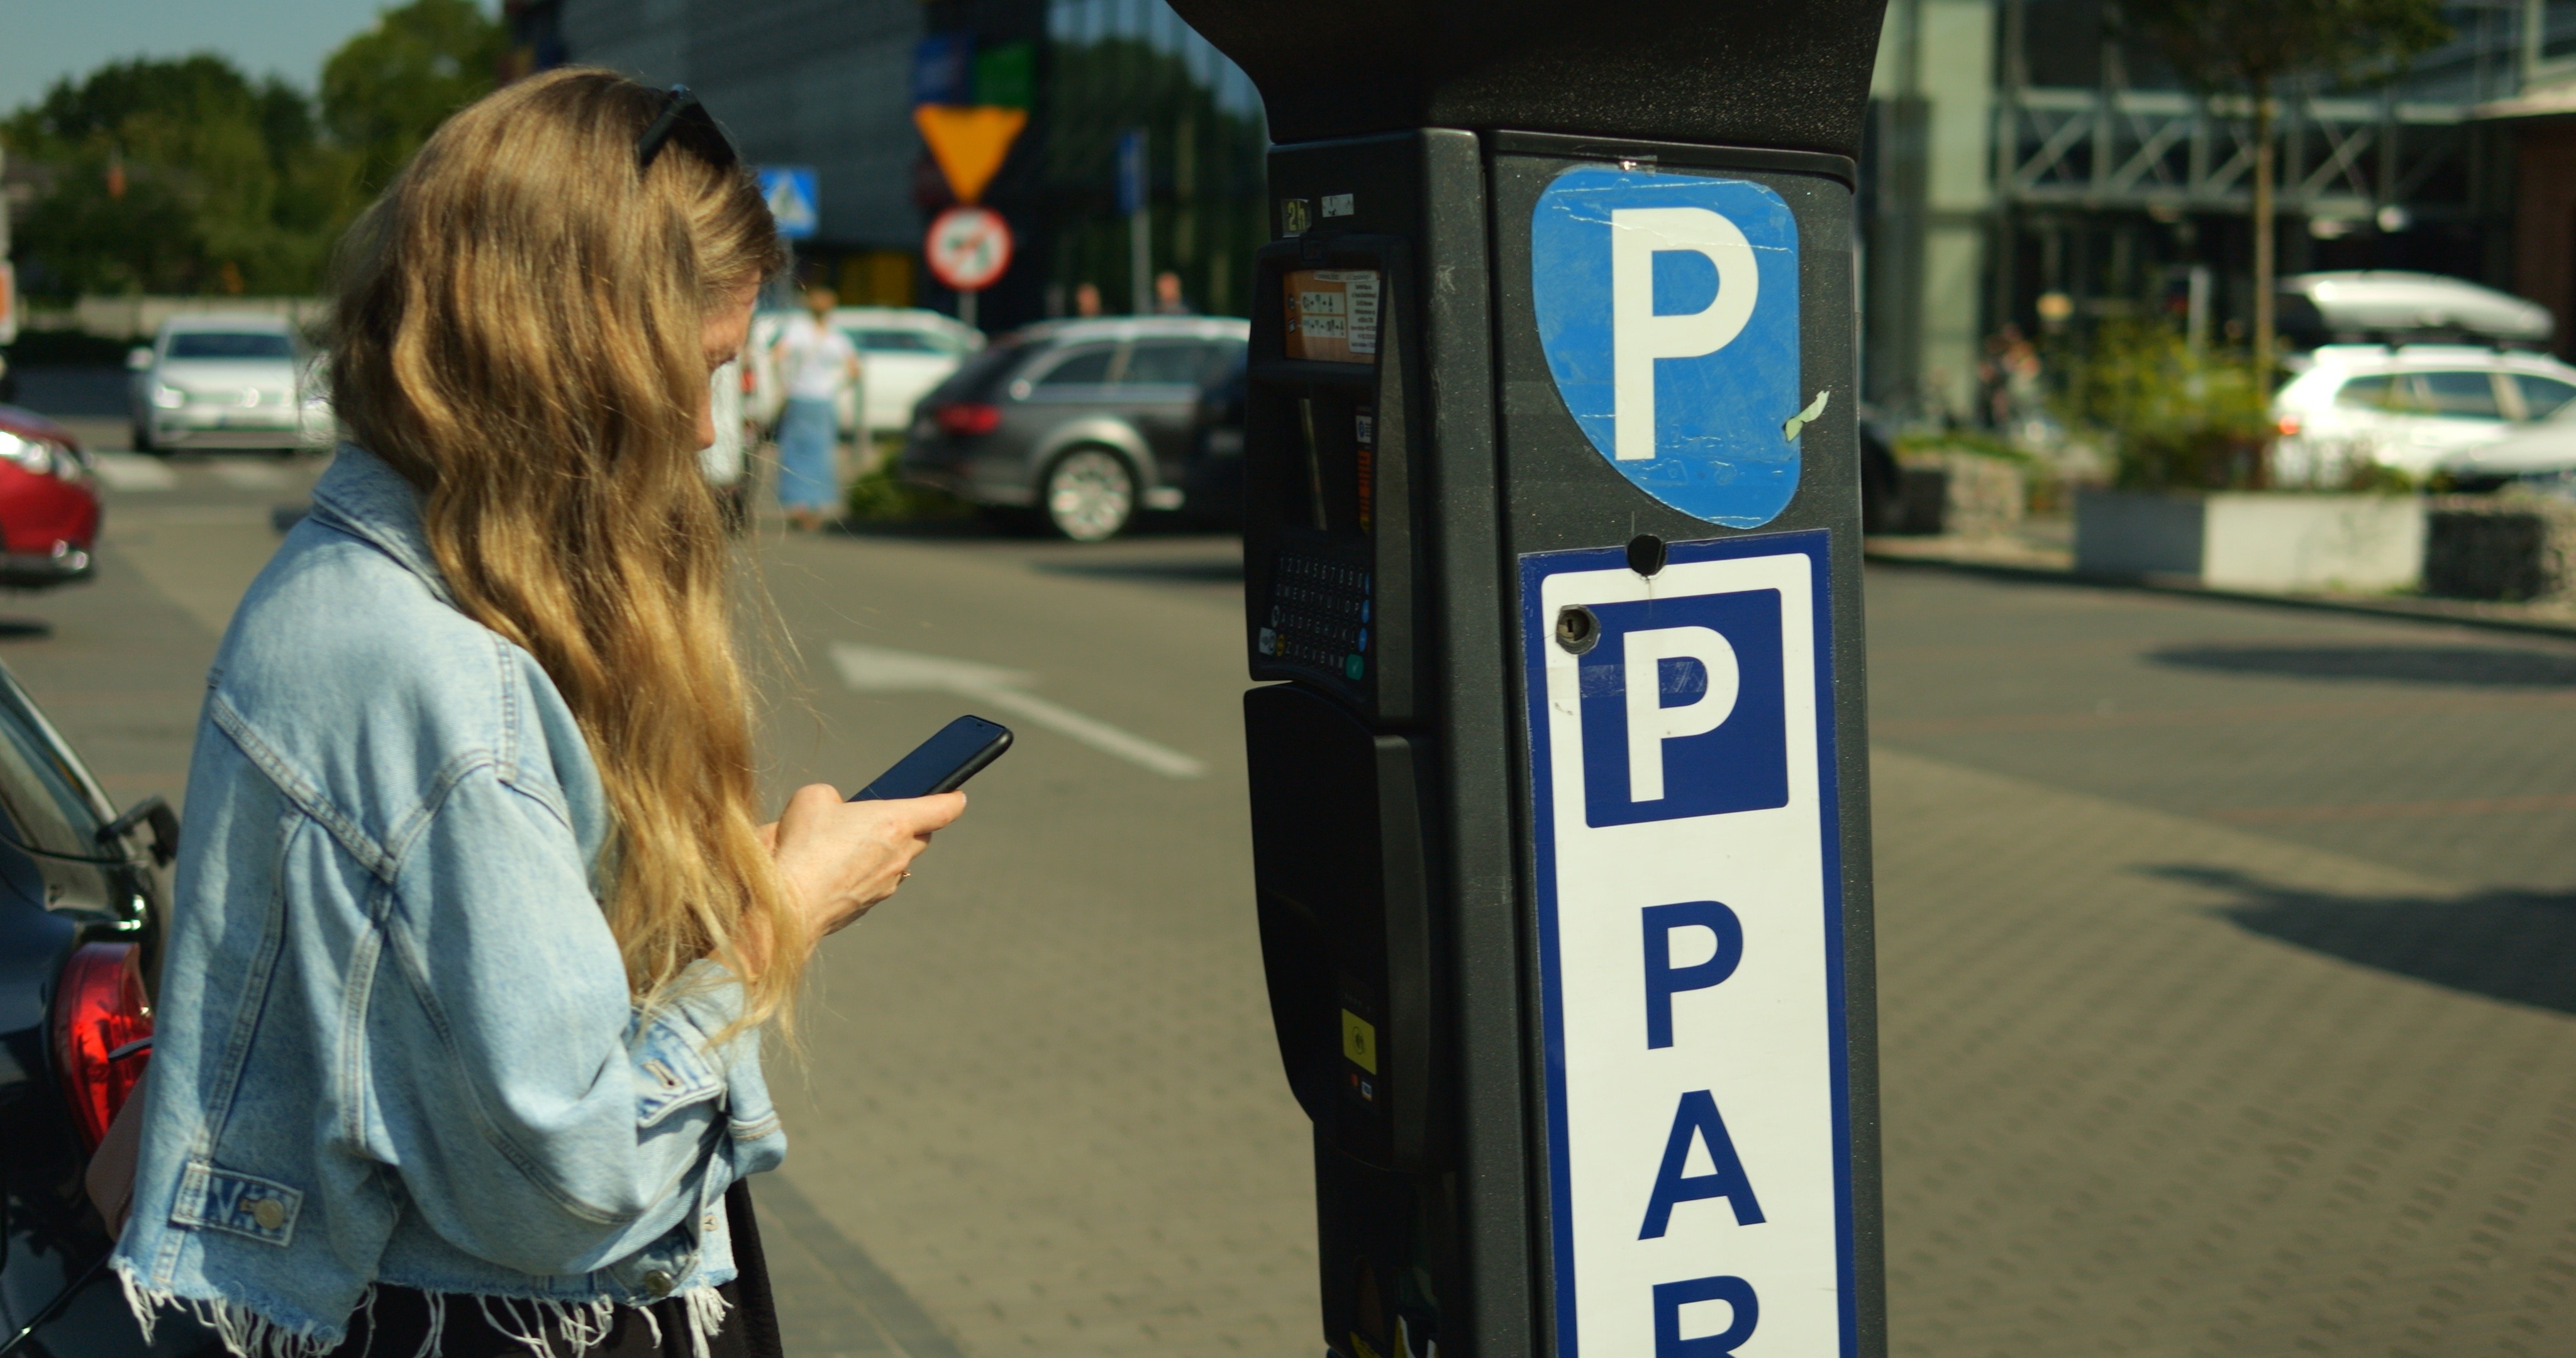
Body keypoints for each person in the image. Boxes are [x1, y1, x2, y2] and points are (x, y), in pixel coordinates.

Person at [108, 70, 966, 1357]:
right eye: (695, 370)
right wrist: (789, 907)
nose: (698, 426)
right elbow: (574, 1181)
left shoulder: (377, 578)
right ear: (568, 357)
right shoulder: (444, 678)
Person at [766, 284, 860, 531]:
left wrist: (784, 382)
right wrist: (836, 387)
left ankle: (797, 505)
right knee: (821, 453)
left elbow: (776, 356)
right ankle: (816, 506)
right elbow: (854, 371)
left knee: (795, 452)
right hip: (823, 400)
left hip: (798, 396)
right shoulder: (837, 337)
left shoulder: (797, 332)